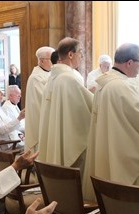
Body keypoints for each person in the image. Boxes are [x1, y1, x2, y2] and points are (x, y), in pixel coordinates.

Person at [82, 43, 139, 202]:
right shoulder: (120, 86)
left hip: (107, 146)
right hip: (120, 153)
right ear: (130, 63)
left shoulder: (104, 83)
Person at [38, 37, 93, 174]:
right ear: (70, 54)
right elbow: (89, 110)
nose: (81, 56)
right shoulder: (69, 79)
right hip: (68, 141)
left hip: (55, 138)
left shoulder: (52, 78)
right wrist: (102, 97)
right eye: (80, 52)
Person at [24, 46, 54, 152]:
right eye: (52, 59)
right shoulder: (36, 78)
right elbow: (46, 100)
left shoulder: (50, 74)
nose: (55, 62)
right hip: (39, 124)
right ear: (41, 61)